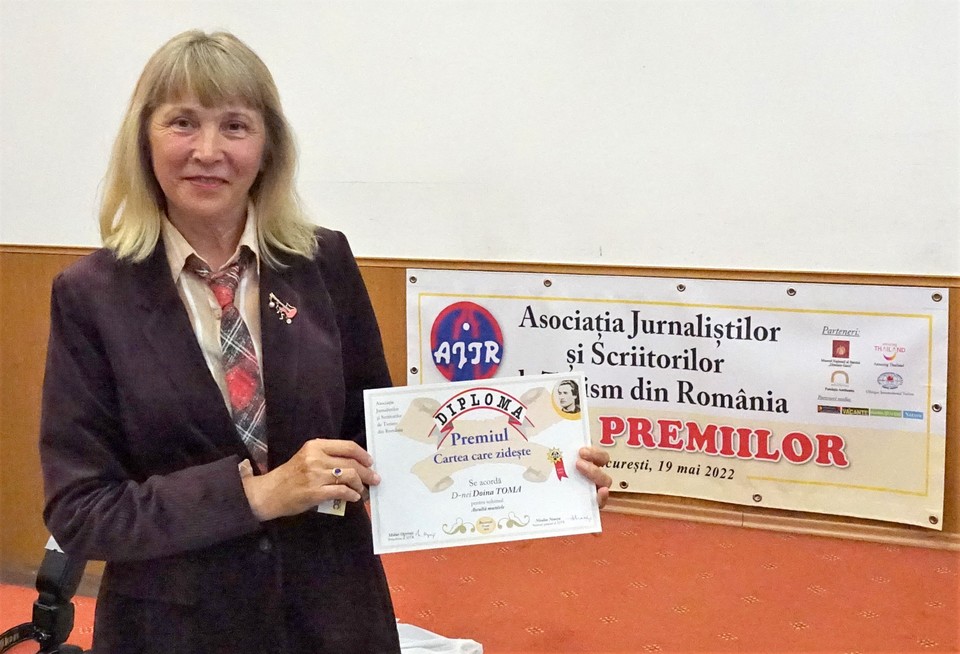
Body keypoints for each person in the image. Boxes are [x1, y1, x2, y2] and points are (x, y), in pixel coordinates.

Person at [38, 30, 612, 654]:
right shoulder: (91, 295)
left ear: (268, 146)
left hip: (333, 617)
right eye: (182, 122)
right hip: (175, 631)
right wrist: (256, 494)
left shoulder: (323, 262)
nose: (208, 150)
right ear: (144, 138)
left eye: (235, 126)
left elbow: (381, 445)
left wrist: (544, 470)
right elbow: (82, 511)